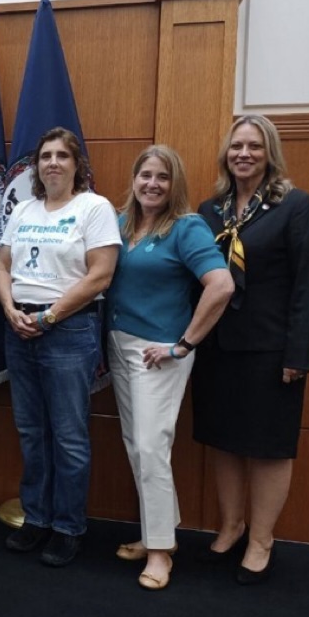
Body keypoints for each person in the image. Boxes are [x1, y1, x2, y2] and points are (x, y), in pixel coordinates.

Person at [191, 115, 309, 585]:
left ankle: (262, 539)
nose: (243, 154)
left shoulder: (296, 207)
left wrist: (300, 354)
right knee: (225, 440)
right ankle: (231, 526)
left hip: (272, 351)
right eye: (236, 146)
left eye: (253, 146)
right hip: (217, 347)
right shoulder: (211, 212)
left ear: (270, 152)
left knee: (268, 447)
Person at [105, 146, 234, 590]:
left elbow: (221, 285)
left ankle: (160, 551)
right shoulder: (122, 225)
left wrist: (183, 345)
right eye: (145, 175)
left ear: (174, 183)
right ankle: (156, 532)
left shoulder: (187, 228)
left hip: (158, 351)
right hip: (118, 345)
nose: (152, 184)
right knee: (137, 445)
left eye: (162, 177)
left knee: (150, 445)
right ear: (134, 178)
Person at [0, 127, 120, 566]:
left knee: (68, 436)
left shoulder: (95, 208)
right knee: (31, 432)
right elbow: (3, 266)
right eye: (45, 155)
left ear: (76, 164)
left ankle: (68, 527)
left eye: (61, 156)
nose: (52, 162)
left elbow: (100, 275)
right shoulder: (24, 208)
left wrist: (49, 316)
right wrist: (10, 310)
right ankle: (37, 519)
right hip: (20, 327)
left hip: (67, 331)